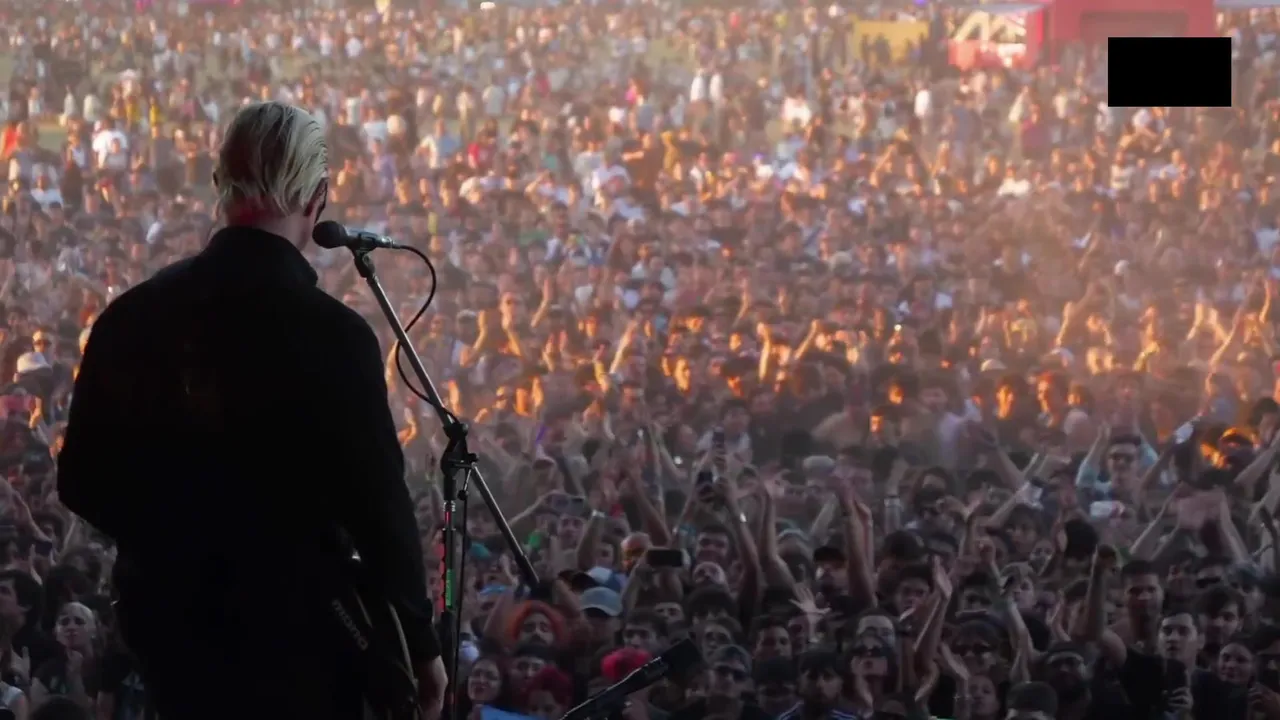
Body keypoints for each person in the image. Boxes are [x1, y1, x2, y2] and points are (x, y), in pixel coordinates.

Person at [55, 102, 447, 720]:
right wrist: (419, 646)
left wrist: (174, 539)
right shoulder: (334, 336)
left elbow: (81, 480)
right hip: (298, 637)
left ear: (219, 184)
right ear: (318, 198)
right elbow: (379, 509)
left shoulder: (131, 317)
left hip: (170, 629)